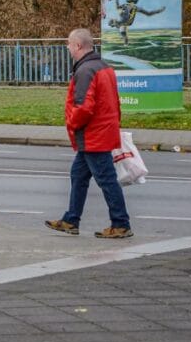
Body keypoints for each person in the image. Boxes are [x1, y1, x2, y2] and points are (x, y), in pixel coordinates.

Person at [45, 28, 133, 239]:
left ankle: (121, 224)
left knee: (106, 180)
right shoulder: (104, 67)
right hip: (101, 132)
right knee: (78, 175)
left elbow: (84, 107)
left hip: (93, 136)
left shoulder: (85, 71)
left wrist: (72, 124)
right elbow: (114, 103)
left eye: (68, 44)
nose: (67, 48)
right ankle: (71, 220)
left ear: (78, 46)